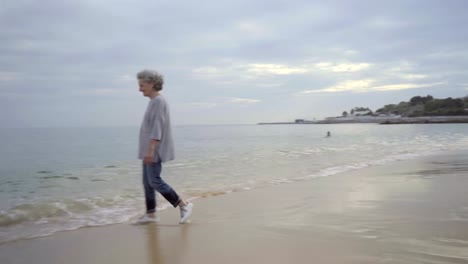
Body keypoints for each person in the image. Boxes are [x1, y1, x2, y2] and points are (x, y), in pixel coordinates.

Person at [135, 69, 193, 224]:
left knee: (154, 181)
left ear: (152, 84)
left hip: (154, 150)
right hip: (148, 150)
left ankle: (183, 205)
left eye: (142, 85)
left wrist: (151, 150)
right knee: (147, 183)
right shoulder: (153, 102)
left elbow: (158, 128)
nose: (139, 89)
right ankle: (151, 214)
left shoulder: (159, 102)